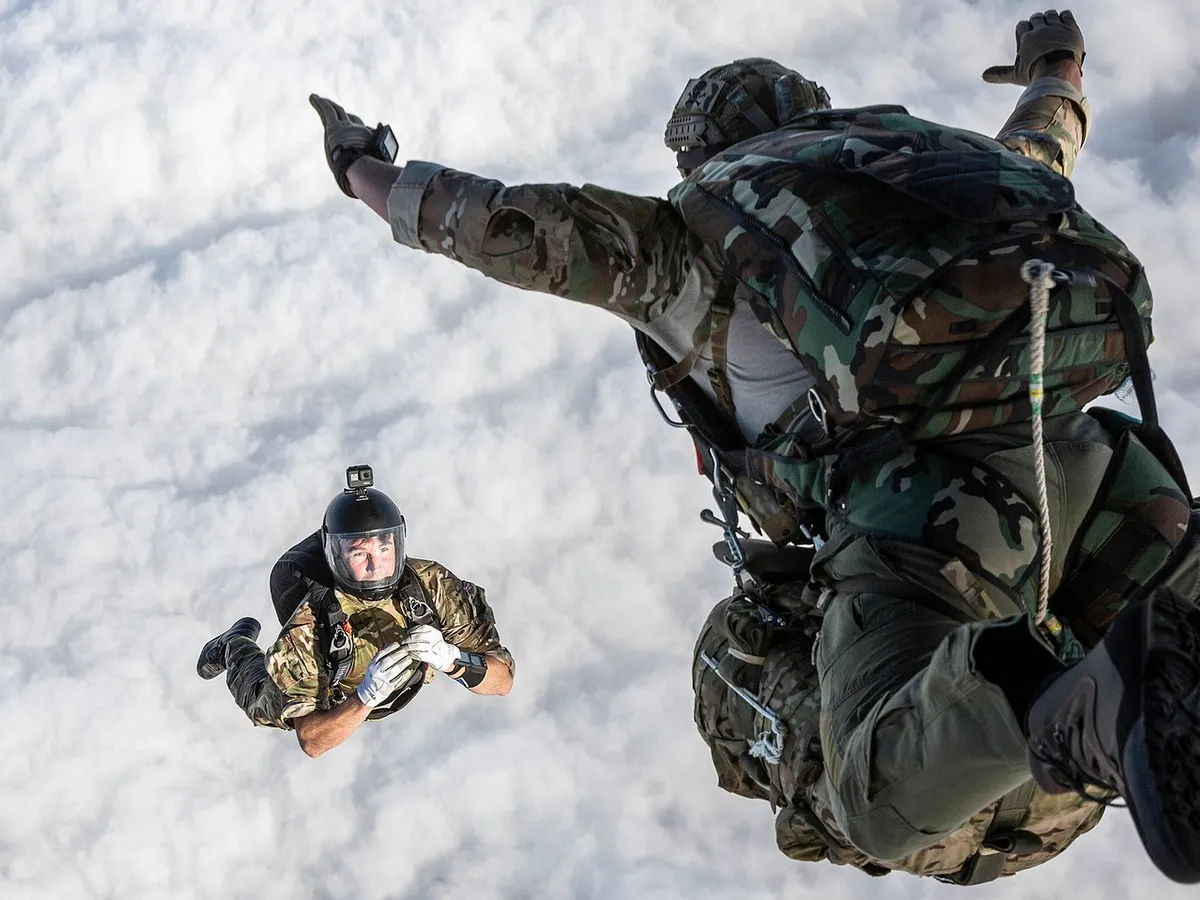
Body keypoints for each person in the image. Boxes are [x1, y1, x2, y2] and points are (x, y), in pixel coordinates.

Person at [306, 10, 1200, 883]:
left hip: (936, 513)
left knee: (874, 795)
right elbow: (1046, 135)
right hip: (1112, 463)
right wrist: (1057, 60)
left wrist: (360, 168)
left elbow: (494, 224)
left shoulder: (683, 245)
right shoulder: (947, 187)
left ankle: (1076, 707)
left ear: (698, 156)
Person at [197, 465, 514, 757]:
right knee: (266, 705)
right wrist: (364, 698)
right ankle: (232, 645)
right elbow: (312, 741)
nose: (376, 564)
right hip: (338, 692)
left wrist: (452, 659)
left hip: (399, 679)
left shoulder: (432, 585)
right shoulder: (308, 625)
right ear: (336, 555)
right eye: (359, 553)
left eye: (384, 548)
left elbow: (503, 681)